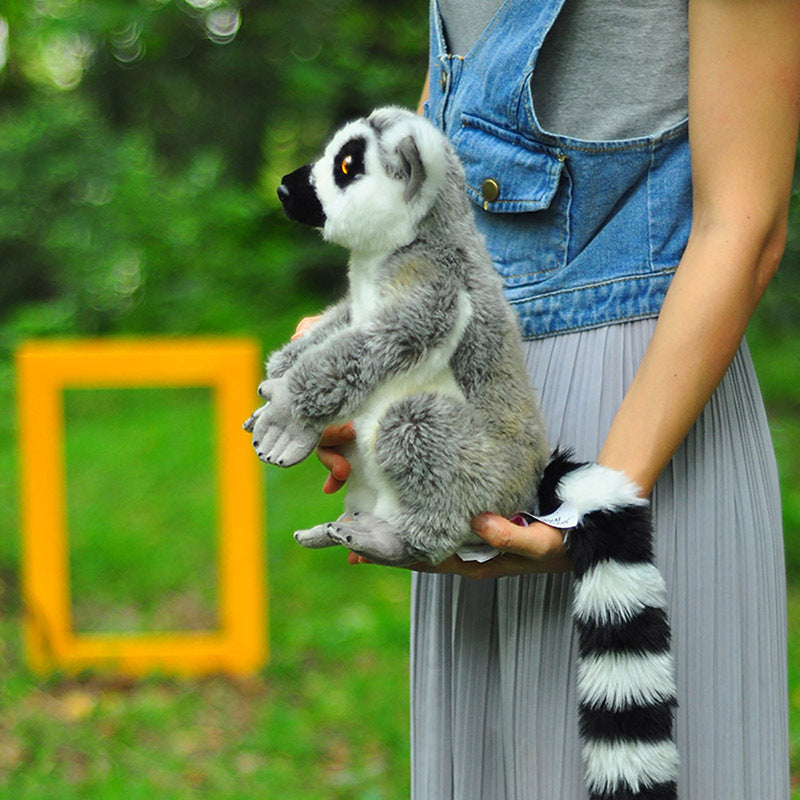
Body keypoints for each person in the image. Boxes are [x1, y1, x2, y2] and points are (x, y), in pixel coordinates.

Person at [303, 0, 800, 796]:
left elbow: (743, 226)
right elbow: (444, 153)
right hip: (481, 392)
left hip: (643, 413)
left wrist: (596, 510)